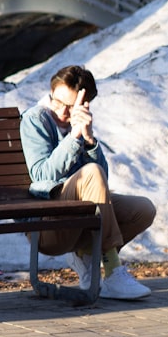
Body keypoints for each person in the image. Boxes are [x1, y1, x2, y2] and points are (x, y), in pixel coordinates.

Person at [20, 65, 156, 300]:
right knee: (91, 171)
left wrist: (90, 139)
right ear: (51, 93)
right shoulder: (35, 120)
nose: (62, 111)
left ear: (85, 105)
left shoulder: (79, 124)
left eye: (71, 107)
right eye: (58, 101)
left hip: (78, 216)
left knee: (143, 210)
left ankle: (84, 253)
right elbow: (42, 175)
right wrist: (74, 137)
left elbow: (101, 180)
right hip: (47, 224)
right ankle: (113, 271)